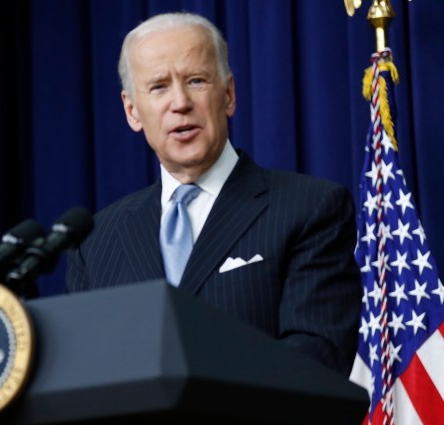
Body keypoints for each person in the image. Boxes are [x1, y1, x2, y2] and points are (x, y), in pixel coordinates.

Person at [65, 12, 362, 377]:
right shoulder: (95, 242)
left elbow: (318, 356)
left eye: (196, 80)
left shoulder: (310, 208)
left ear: (229, 94)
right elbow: (85, 372)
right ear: (132, 111)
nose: (180, 102)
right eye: (158, 86)